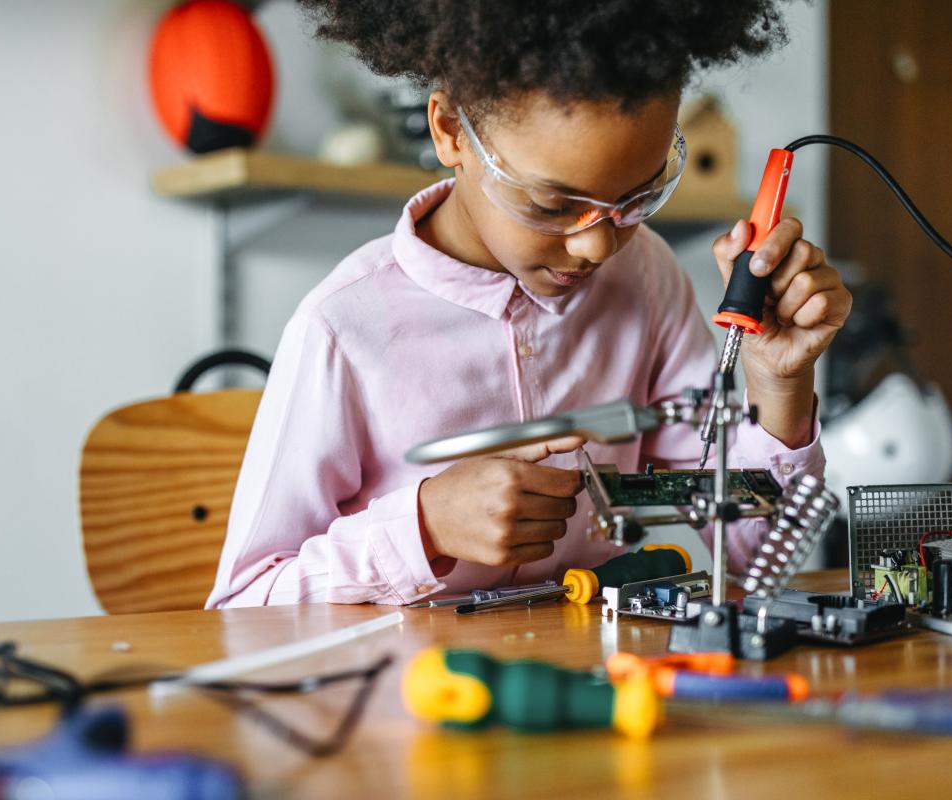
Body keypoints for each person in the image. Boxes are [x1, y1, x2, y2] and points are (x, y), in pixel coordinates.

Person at [206, 0, 851, 608]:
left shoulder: (647, 277)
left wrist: (779, 383)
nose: (598, 244)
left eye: (636, 197)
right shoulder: (342, 332)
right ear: (451, 129)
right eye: (551, 205)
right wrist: (423, 527)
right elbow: (242, 605)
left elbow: (756, 560)